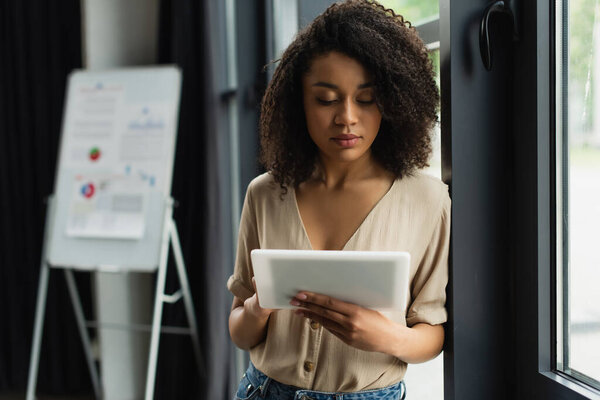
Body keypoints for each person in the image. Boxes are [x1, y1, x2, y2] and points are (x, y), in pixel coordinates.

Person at [227, 0, 450, 398]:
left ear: (394, 101)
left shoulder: (426, 199)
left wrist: (386, 337)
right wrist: (259, 308)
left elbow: (432, 330)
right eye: (326, 99)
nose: (346, 117)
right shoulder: (264, 193)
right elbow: (239, 329)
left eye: (366, 99)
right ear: (300, 104)